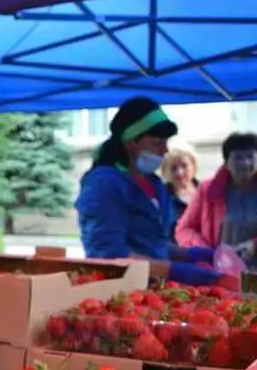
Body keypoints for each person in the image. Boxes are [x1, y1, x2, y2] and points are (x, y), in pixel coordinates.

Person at [75, 96, 219, 285]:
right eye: (157, 143)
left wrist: (190, 254)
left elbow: (152, 245)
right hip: (119, 291)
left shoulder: (154, 184)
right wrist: (172, 271)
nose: (165, 150)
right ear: (131, 143)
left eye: (166, 142)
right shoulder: (105, 184)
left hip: (154, 287)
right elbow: (108, 255)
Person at [176, 132, 257, 265]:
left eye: (250, 157)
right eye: (238, 158)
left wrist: (254, 245)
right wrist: (206, 252)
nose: (245, 163)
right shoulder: (208, 189)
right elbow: (184, 228)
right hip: (220, 269)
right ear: (226, 163)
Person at [161, 145, 199, 241]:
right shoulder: (160, 196)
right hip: (176, 252)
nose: (179, 172)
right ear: (165, 171)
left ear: (194, 166)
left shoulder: (207, 192)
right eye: (173, 168)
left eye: (184, 165)